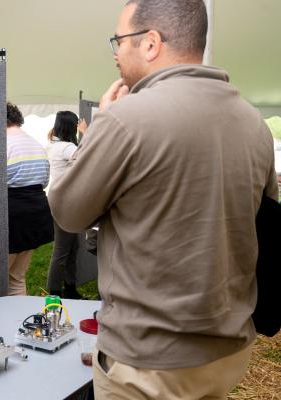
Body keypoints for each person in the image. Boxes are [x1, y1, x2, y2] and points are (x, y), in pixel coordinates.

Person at [49, 1, 278, 399]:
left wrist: (101, 126)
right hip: (226, 352)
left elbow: (68, 212)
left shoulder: (126, 118)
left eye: (118, 41)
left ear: (151, 42)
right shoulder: (253, 123)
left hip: (148, 362)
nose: (116, 53)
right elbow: (263, 221)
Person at [6, 102, 53, 295]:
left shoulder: (3, 143)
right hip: (36, 211)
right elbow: (45, 180)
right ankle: (18, 320)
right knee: (17, 277)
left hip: (13, 214)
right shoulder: (35, 143)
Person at [45, 111, 86, 299]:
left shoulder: (54, 145)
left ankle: (69, 288)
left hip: (63, 202)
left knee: (72, 248)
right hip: (66, 204)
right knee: (62, 251)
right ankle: (54, 293)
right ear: (71, 127)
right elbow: (88, 158)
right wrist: (86, 134)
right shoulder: (67, 147)